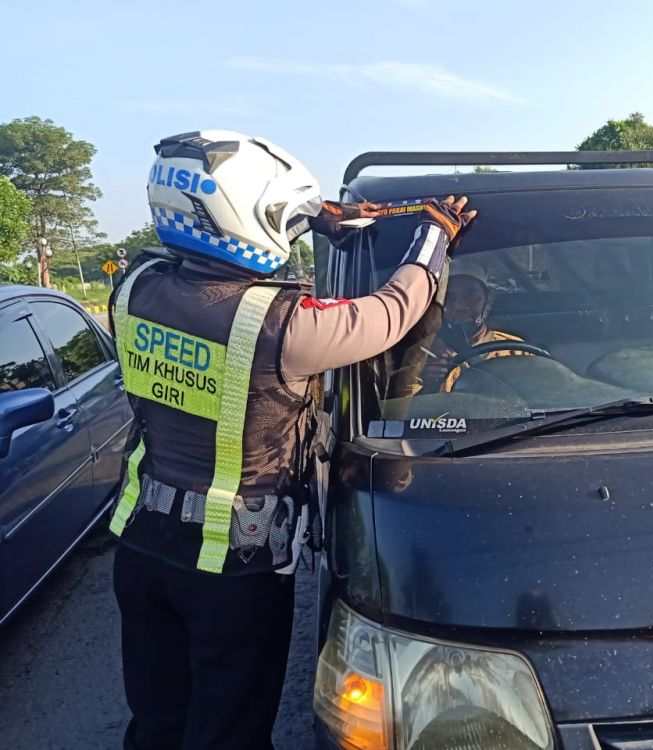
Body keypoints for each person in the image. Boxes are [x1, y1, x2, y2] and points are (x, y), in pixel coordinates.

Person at [108, 130, 475, 750]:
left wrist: (314, 218)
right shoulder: (281, 328)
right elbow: (392, 311)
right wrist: (434, 236)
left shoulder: (135, 287)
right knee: (229, 731)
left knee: (158, 721)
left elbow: (204, 249)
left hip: (140, 550)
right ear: (250, 218)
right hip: (230, 570)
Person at [419, 258, 527, 392]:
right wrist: (429, 386)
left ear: (488, 300)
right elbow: (402, 407)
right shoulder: (424, 356)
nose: (459, 306)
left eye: (470, 296)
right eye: (449, 298)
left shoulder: (516, 351)